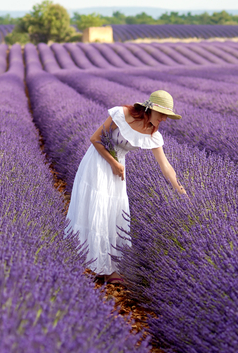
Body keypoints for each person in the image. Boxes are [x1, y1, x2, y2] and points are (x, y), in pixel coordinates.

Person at [65, 89, 187, 284]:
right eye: (162, 114)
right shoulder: (122, 114)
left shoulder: (153, 135)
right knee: (99, 208)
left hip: (118, 170)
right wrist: (114, 163)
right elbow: (95, 139)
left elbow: (166, 167)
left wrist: (180, 191)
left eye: (167, 116)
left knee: (114, 213)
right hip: (98, 162)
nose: (164, 119)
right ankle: (87, 262)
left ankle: (108, 268)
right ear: (149, 108)